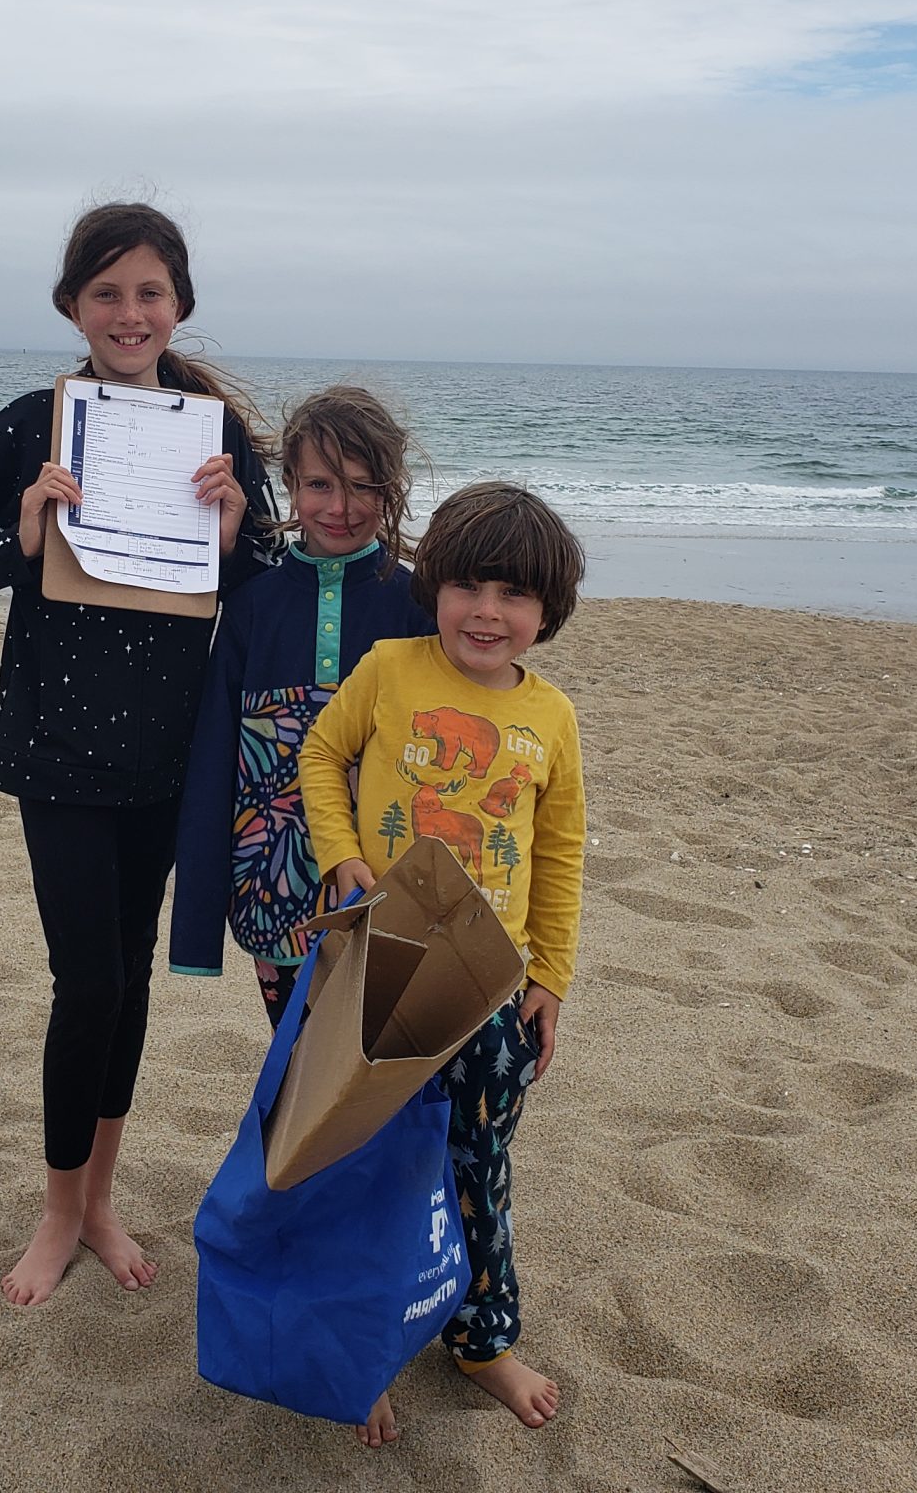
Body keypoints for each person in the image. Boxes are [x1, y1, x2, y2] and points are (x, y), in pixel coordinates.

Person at [0, 202, 278, 1307]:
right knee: (89, 978)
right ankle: (59, 1212)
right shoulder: (36, 421)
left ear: (180, 306)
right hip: (59, 746)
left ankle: (99, 1198)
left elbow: (260, 584)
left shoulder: (213, 435)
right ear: (73, 306)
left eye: (149, 292)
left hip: (173, 749)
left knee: (130, 984)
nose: (128, 312)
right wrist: (20, 538)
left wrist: (229, 535)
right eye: (106, 292)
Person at [298, 481, 588, 1444]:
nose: (487, 612)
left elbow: (560, 851)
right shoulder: (388, 669)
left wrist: (550, 977)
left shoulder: (552, 718)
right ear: (434, 589)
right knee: (361, 1159)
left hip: (490, 986)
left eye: (513, 594)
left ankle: (482, 1339)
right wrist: (341, 854)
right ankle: (367, 1344)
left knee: (478, 1166)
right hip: (379, 962)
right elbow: (320, 755)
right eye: (466, 585)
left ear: (548, 610)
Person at [169, 385, 433, 1022]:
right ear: (288, 482)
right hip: (273, 891)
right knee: (300, 1074)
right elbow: (213, 765)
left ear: (392, 488)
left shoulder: (418, 603)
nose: (340, 508)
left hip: (390, 884)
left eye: (365, 488)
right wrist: (198, 927)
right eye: (319, 485)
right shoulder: (252, 608)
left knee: (390, 1074)